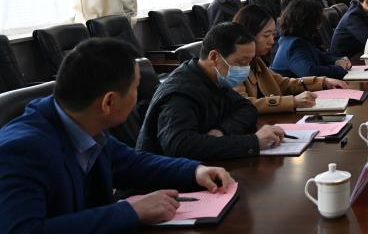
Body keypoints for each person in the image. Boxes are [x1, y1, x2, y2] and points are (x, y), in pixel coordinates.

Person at [0, 38, 235, 233]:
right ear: (109, 102)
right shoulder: (21, 151)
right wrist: (132, 212)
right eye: (135, 88)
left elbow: (131, 163)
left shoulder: (83, 122)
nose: (139, 95)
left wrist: (194, 171)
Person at [137, 23, 287, 161]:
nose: (246, 69)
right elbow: (180, 145)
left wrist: (222, 130)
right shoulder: (180, 93)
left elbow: (247, 108)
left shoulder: (213, 79)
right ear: (214, 57)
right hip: (164, 176)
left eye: (249, 62)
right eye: (241, 63)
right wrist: (253, 142)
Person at [232, 5, 348, 114]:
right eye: (266, 35)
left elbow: (283, 84)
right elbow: (244, 103)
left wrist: (323, 81)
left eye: (273, 35)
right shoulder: (233, 65)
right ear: (248, 36)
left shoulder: (256, 60)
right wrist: (293, 101)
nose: (272, 41)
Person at [270, 0, 352, 79]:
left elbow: (320, 56)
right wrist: (339, 69)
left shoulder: (297, 39)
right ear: (308, 21)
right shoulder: (294, 45)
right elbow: (309, 72)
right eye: (318, 20)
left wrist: (337, 60)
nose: (319, 25)